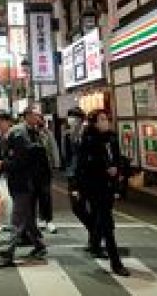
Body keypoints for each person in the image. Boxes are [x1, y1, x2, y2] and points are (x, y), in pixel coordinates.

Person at [0, 109, 46, 266]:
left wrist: (1, 165)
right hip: (18, 181)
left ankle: (9, 252)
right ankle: (39, 245)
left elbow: (22, 161)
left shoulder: (17, 134)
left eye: (0, 121)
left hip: (24, 182)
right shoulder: (7, 135)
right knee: (27, 217)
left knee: (17, 218)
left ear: (9, 121)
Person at [75, 109, 130, 277]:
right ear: (94, 123)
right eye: (101, 119)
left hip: (109, 186)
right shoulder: (87, 140)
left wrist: (117, 169)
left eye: (106, 118)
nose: (105, 122)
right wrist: (105, 170)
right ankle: (116, 262)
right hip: (95, 186)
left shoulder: (112, 138)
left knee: (101, 217)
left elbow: (118, 157)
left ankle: (94, 244)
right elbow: (83, 166)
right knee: (106, 222)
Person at [62, 107, 95, 252]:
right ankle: (94, 231)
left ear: (81, 119)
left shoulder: (89, 133)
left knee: (92, 207)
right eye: (70, 117)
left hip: (89, 175)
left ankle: (94, 238)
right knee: (77, 207)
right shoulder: (67, 135)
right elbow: (67, 157)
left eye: (74, 117)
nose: (71, 120)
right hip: (73, 176)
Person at [23, 108, 57, 235]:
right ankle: (32, 225)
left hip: (44, 170)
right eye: (35, 116)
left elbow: (52, 148)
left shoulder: (44, 132)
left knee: (45, 196)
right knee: (30, 199)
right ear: (27, 117)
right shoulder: (23, 131)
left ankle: (47, 220)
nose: (37, 118)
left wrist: (55, 164)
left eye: (38, 116)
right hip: (30, 171)